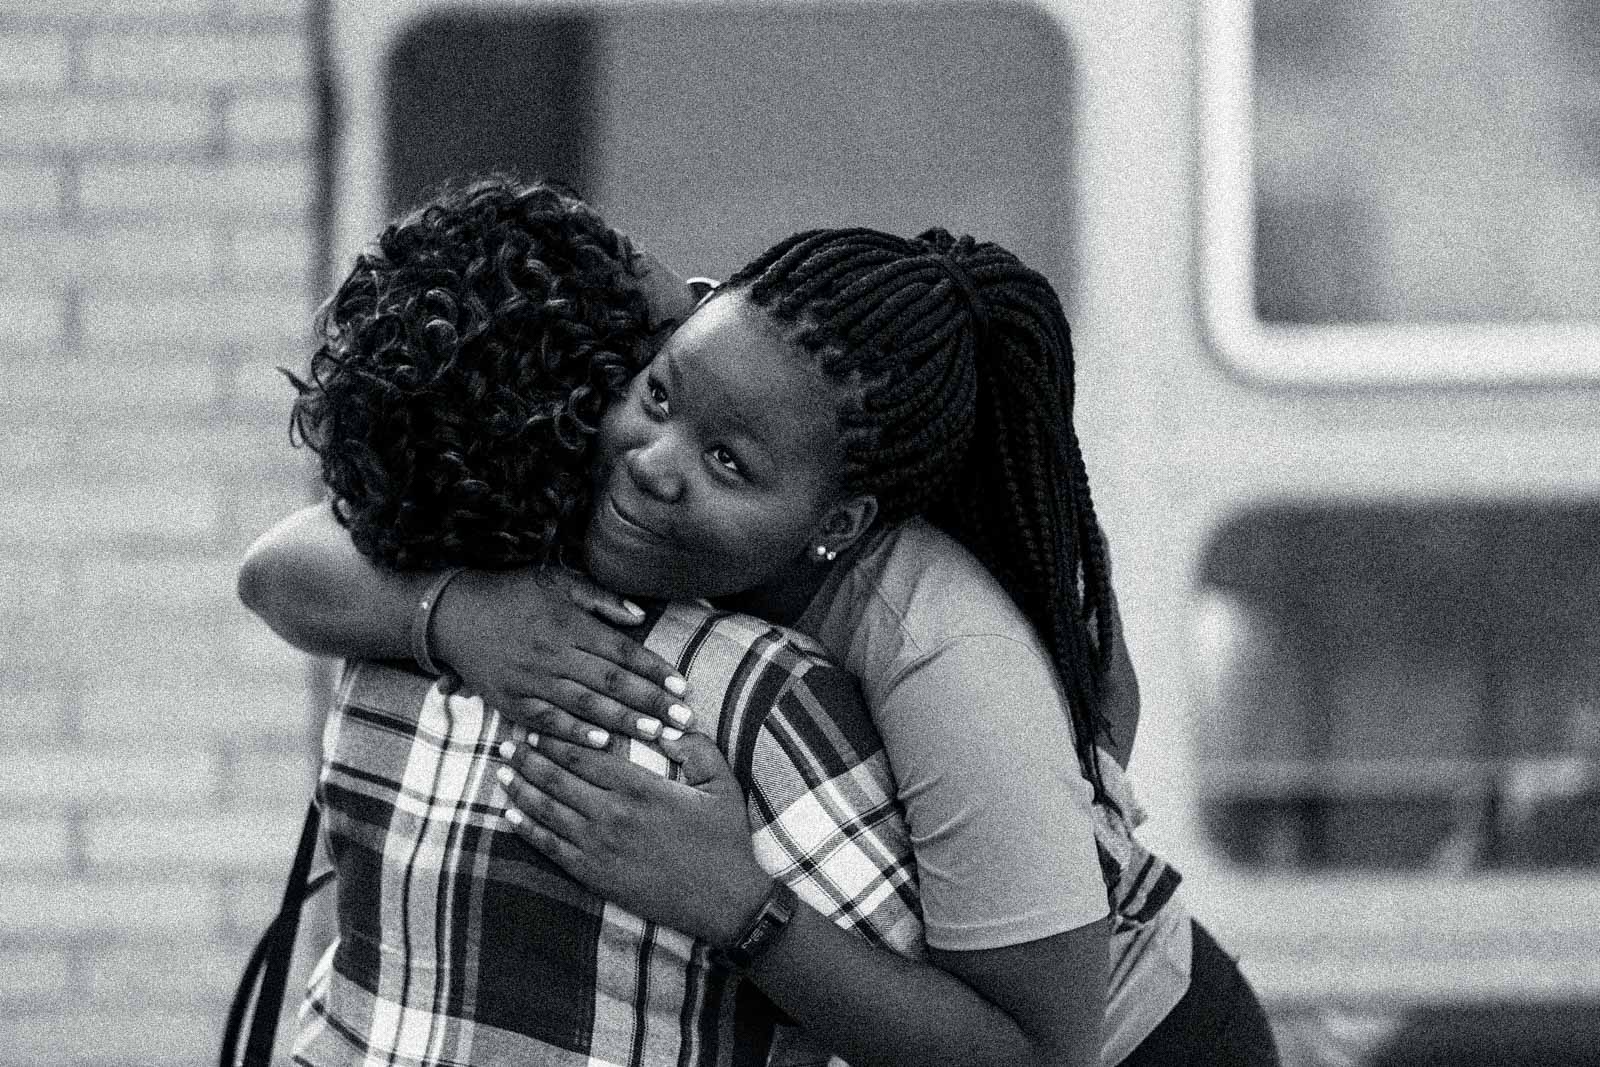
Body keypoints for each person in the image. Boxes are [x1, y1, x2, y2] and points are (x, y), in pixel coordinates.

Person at [246, 202, 1279, 1064]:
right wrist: (460, 613)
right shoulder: (663, 423)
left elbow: (1038, 1049)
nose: (656, 460)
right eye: (656, 391)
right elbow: (281, 568)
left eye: (730, 462)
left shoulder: (943, 646)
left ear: (835, 524)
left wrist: (739, 904)